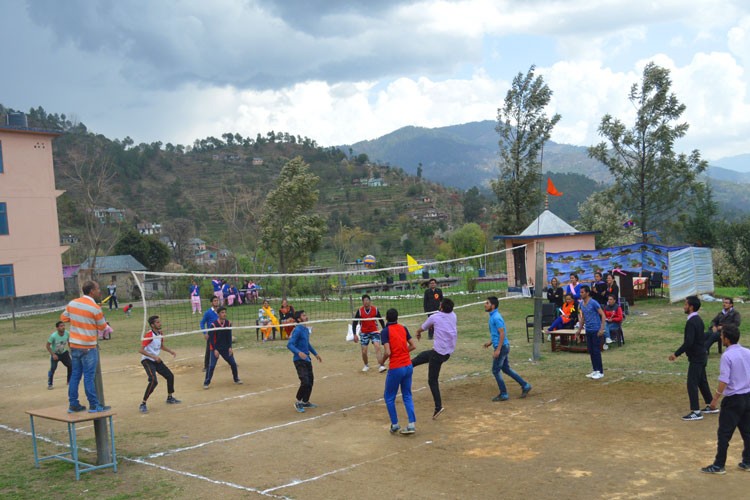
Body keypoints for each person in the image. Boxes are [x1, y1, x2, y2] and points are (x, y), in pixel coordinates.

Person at [701, 325, 750, 474]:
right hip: (748, 396)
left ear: (726, 339)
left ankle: (719, 465)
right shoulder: (747, 352)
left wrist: (715, 399)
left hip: (733, 399)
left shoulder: (727, 356)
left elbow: (724, 380)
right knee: (748, 432)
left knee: (724, 434)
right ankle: (748, 461)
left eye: (722, 336)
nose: (720, 338)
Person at [60, 280, 110, 413]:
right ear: (92, 291)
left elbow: (64, 318)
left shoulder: (72, 303)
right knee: (89, 376)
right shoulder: (95, 308)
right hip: (88, 346)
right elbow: (102, 326)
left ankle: (73, 404)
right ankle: (94, 405)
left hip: (75, 345)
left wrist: (78, 320)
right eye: (98, 288)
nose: (99, 291)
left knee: (75, 375)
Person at [669, 295, 716, 421]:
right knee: (701, 381)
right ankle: (711, 405)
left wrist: (676, 354)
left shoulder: (692, 321)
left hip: (697, 357)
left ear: (691, 307)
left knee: (692, 383)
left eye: (685, 304)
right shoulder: (698, 319)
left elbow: (689, 342)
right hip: (701, 355)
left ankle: (696, 411)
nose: (684, 306)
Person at [413, 297, 457, 419]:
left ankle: (438, 407)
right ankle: (407, 365)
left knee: (432, 380)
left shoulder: (435, 317)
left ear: (441, 307)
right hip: (447, 353)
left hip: (439, 354)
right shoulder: (454, 315)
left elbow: (423, 328)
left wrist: (418, 332)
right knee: (424, 356)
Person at [484, 296, 532, 401]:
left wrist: (498, 350)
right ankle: (525, 385)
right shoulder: (493, 316)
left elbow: (502, 334)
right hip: (503, 346)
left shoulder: (496, 317)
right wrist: (490, 342)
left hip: (502, 347)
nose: (485, 305)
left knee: (496, 370)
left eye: (487, 303)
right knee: (505, 369)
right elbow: (497, 333)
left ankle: (504, 394)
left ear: (492, 305)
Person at [381, 308, 417, 434]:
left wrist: (382, 361)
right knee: (407, 395)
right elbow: (413, 345)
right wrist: (403, 352)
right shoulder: (403, 328)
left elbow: (388, 352)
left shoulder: (385, 331)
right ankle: (411, 424)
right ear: (397, 318)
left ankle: (395, 424)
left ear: (386, 318)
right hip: (408, 366)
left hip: (396, 367)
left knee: (389, 397)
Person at [138, 315, 181, 413]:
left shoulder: (160, 333)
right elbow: (140, 350)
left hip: (156, 360)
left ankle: (170, 398)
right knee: (153, 380)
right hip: (147, 360)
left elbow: (161, 346)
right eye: (157, 322)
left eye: (159, 322)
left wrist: (170, 351)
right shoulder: (149, 335)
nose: (160, 323)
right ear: (152, 325)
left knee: (170, 376)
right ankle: (143, 403)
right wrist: (153, 357)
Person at [287, 310, 322, 413]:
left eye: (306, 315)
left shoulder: (306, 329)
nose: (306, 317)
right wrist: (298, 353)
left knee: (310, 380)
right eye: (304, 315)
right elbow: (290, 345)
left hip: (307, 359)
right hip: (299, 360)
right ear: (299, 319)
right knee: (305, 381)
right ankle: (298, 401)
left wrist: (315, 354)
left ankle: (305, 401)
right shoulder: (297, 330)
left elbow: (307, 344)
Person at [204, 307, 242, 388]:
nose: (224, 314)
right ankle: (206, 382)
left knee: (233, 364)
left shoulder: (228, 323)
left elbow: (229, 336)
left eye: (225, 312)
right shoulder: (213, 325)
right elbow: (211, 339)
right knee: (211, 366)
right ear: (218, 314)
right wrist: (215, 350)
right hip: (215, 348)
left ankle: (236, 379)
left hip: (225, 348)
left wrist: (230, 347)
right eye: (222, 312)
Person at [576, 285, 607, 380]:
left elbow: (603, 315)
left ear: (587, 293)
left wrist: (601, 329)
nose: (581, 294)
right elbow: (583, 318)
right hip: (588, 330)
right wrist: (579, 330)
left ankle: (600, 371)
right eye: (580, 292)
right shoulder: (581, 304)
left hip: (596, 330)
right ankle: (595, 369)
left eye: (582, 292)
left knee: (596, 350)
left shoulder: (594, 303)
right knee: (591, 350)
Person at [352, 294, 387, 373]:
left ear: (370, 301)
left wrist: (384, 330)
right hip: (364, 333)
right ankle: (366, 365)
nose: (366, 302)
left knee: (377, 347)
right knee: (364, 351)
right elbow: (354, 323)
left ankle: (381, 365)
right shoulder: (360, 311)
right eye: (364, 301)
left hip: (374, 332)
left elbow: (381, 320)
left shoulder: (375, 309)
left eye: (367, 300)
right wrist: (354, 334)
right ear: (363, 302)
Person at [46, 321, 71, 390]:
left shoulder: (67, 333)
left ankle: (69, 381)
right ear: (57, 328)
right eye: (61, 326)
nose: (63, 327)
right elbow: (47, 346)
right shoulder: (53, 336)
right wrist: (53, 354)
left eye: (63, 326)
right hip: (55, 354)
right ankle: (50, 384)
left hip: (64, 353)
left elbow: (69, 342)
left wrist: (71, 350)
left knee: (70, 365)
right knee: (53, 368)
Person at [200, 296, 220, 372]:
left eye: (217, 300)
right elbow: (202, 323)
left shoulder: (220, 311)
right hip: (211, 334)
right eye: (214, 301)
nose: (216, 302)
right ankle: (206, 366)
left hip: (220, 334)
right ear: (211, 303)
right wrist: (205, 333)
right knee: (209, 350)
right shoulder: (208, 313)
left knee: (226, 347)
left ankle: (232, 362)